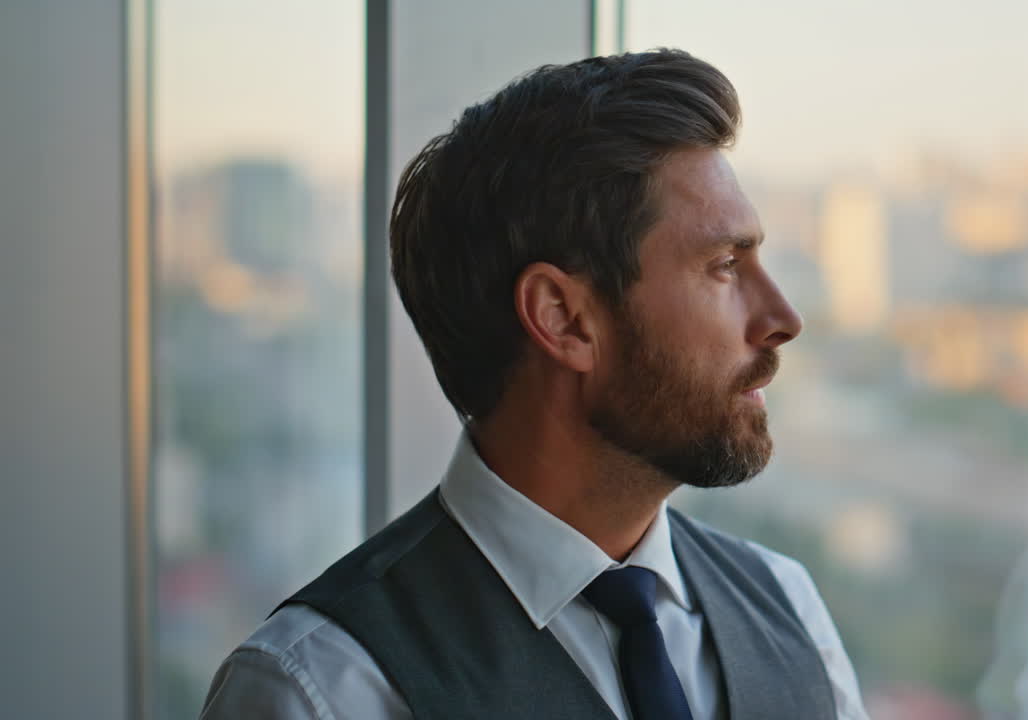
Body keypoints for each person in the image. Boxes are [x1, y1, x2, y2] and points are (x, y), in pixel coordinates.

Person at [200, 49, 869, 720]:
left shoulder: (790, 611)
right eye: (724, 265)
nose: (783, 319)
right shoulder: (320, 690)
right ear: (563, 318)